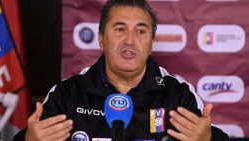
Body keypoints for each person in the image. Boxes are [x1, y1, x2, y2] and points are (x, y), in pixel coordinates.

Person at [14, 0, 229, 140]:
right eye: (119, 29)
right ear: (101, 39)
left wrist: (208, 139)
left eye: (140, 31)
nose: (129, 40)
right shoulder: (67, 94)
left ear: (151, 42)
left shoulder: (178, 93)